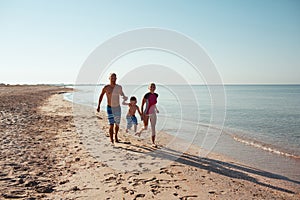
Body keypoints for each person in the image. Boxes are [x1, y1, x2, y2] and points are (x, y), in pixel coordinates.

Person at [97, 73, 127, 144]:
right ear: (109, 78)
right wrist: (99, 106)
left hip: (117, 108)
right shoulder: (106, 88)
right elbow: (101, 96)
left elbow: (122, 94)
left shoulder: (119, 87)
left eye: (114, 78)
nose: (113, 79)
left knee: (117, 124)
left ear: (116, 79)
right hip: (110, 108)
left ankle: (116, 136)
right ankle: (111, 139)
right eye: (112, 78)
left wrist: (124, 97)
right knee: (111, 124)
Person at [136, 83, 159, 147]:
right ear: (149, 88)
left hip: (153, 113)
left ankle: (153, 143)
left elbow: (154, 104)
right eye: (151, 87)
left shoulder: (156, 95)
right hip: (146, 113)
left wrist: (156, 109)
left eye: (154, 87)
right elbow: (142, 105)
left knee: (153, 128)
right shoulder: (146, 95)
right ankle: (140, 132)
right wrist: (142, 114)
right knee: (145, 127)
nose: (152, 88)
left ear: (155, 88)